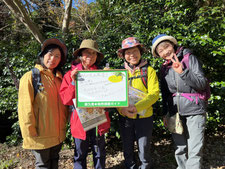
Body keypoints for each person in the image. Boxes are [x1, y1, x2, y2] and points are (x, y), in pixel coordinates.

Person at [152, 34, 208, 169]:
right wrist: (165, 113)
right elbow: (165, 94)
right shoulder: (164, 68)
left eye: (166, 47)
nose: (165, 52)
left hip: (194, 108)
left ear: (173, 45)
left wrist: (183, 72)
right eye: (161, 51)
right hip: (174, 111)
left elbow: (201, 84)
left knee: (194, 148)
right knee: (180, 147)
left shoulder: (189, 59)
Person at [18, 38, 69, 169]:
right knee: (42, 165)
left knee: (54, 162)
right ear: (42, 56)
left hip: (57, 133)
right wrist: (29, 130)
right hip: (40, 134)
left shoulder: (60, 78)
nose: (53, 59)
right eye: (50, 54)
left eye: (57, 56)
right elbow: (25, 108)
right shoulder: (30, 77)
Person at [59, 39, 111, 169]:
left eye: (94, 54)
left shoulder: (101, 73)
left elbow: (110, 97)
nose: (91, 56)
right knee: (80, 153)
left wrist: (110, 79)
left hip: (98, 118)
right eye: (87, 53)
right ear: (80, 55)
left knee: (99, 152)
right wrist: (72, 82)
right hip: (79, 119)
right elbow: (66, 100)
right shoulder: (70, 75)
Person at [117, 37, 160, 169]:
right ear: (124, 56)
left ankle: (145, 166)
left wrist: (137, 107)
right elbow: (114, 95)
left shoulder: (149, 71)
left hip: (144, 116)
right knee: (127, 145)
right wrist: (121, 109)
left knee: (144, 146)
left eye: (135, 51)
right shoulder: (119, 73)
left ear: (140, 52)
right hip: (125, 116)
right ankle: (130, 166)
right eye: (128, 53)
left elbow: (154, 94)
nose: (132, 55)